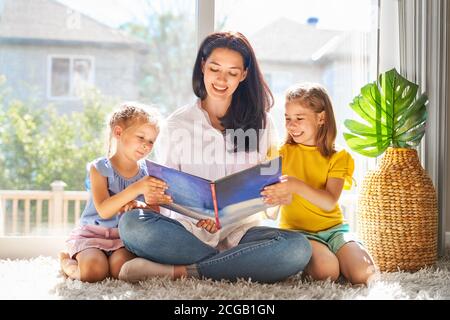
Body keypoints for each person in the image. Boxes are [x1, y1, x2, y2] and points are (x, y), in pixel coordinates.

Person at [118, 31, 312, 283]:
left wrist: (279, 195)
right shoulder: (177, 124)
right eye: (215, 69)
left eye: (232, 72)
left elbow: (269, 187)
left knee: (297, 248)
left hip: (243, 232)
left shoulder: (262, 123)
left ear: (243, 75)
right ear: (202, 67)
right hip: (190, 232)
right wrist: (152, 199)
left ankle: (185, 271)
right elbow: (163, 190)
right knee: (132, 225)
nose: (222, 79)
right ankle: (236, 263)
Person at [260, 83, 377, 285]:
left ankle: (344, 256)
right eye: (287, 118)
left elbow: (329, 202)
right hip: (298, 234)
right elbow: (268, 207)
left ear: (321, 118)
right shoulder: (279, 154)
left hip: (335, 230)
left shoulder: (338, 156)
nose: (291, 125)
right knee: (327, 272)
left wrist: (296, 185)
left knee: (364, 274)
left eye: (299, 118)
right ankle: (329, 262)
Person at [59, 102, 179, 282]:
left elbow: (155, 212)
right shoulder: (99, 168)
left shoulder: (148, 172)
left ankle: (106, 262)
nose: (146, 145)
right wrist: (137, 188)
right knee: (94, 272)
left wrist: (141, 206)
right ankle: (67, 262)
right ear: (118, 132)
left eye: (151, 141)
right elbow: (104, 210)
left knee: (120, 271)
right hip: (93, 234)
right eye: (141, 137)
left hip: (125, 238)